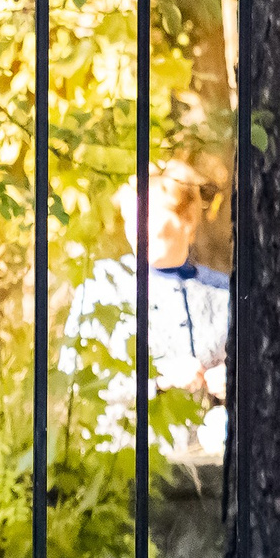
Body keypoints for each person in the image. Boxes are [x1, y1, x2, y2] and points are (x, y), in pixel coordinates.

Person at [63, 164, 230, 454]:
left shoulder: (223, 292)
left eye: (150, 216)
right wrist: (160, 379)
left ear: (187, 220)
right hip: (122, 462)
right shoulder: (103, 287)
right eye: (131, 216)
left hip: (209, 467)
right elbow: (75, 382)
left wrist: (235, 381)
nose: (138, 228)